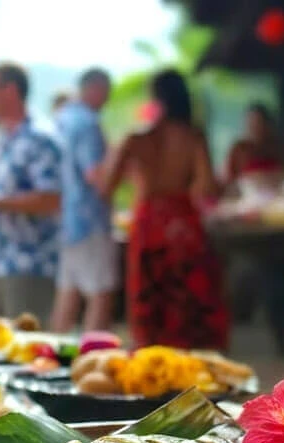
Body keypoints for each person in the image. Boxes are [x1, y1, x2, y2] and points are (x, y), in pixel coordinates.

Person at [99, 68, 229, 349]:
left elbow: (107, 186)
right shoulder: (194, 137)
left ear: (155, 98)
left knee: (149, 298)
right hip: (183, 221)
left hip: (149, 222)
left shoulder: (135, 139)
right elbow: (206, 186)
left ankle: (152, 362)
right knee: (190, 300)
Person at [0, 62, 63, 320]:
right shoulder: (2, 139)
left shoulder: (41, 138)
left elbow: (52, 199)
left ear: (9, 91)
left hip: (30, 265)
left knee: (26, 351)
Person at [50, 67, 117, 334]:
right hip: (89, 220)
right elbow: (96, 176)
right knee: (100, 294)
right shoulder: (88, 123)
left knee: (68, 293)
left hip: (64, 221)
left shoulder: (60, 118)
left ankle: (51, 359)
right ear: (96, 88)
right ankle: (92, 357)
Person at [225, 103, 284, 185]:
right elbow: (229, 178)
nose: (255, 127)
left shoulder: (278, 147)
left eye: (259, 122)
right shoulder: (239, 150)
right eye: (251, 123)